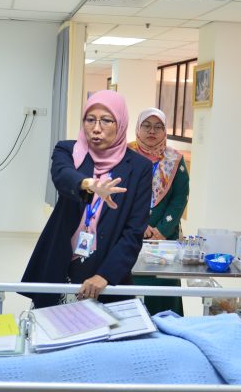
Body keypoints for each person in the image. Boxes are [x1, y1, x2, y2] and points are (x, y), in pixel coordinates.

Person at [21, 90, 153, 308]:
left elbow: (134, 231)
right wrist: (89, 184)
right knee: (52, 329)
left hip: (105, 268)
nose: (96, 128)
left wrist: (106, 275)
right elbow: (62, 175)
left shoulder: (139, 167)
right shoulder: (68, 150)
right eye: (90, 120)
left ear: (120, 123)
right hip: (61, 260)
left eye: (106, 120)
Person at [128, 107, 189, 315]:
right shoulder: (125, 154)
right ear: (138, 127)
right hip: (130, 232)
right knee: (130, 285)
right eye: (146, 125)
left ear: (165, 131)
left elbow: (180, 198)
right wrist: (140, 225)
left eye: (158, 127)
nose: (151, 131)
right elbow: (120, 194)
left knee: (163, 287)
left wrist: (162, 230)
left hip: (165, 237)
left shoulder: (175, 160)